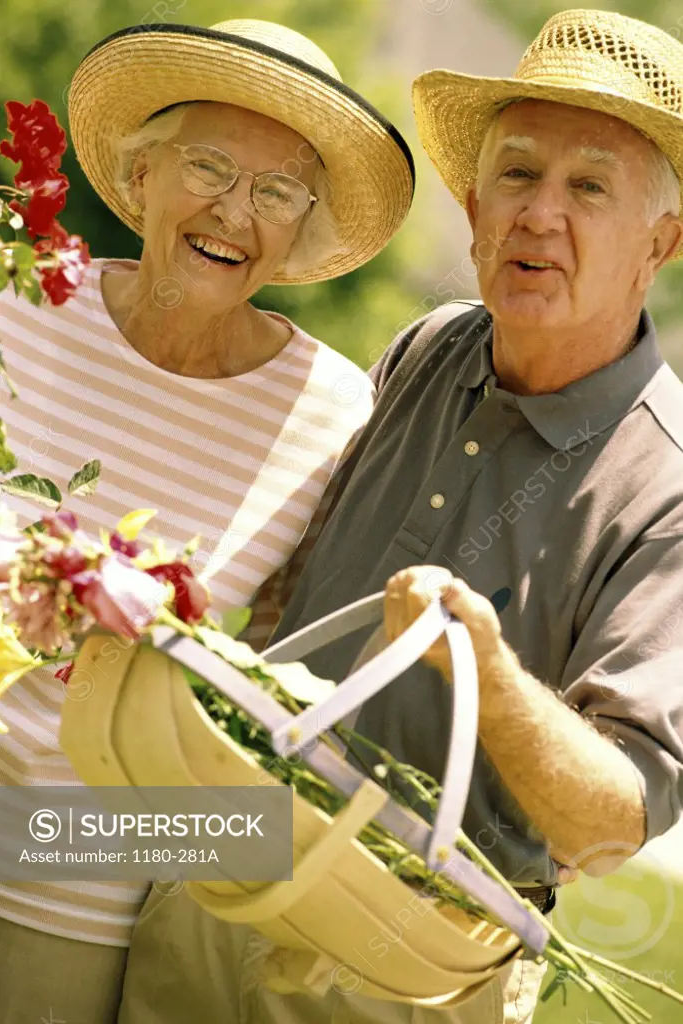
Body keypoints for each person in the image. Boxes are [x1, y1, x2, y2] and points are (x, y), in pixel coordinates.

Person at [116, 7, 683, 1024]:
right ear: (472, 207)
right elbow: (288, 580)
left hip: (405, 947)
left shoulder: (666, 485)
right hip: (218, 857)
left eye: (589, 186)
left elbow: (615, 822)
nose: (538, 213)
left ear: (663, 242)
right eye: (516, 174)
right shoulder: (429, 346)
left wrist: (491, 673)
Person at [0, 16, 415, 1024]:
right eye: (210, 166)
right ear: (142, 175)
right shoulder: (22, 307)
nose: (236, 211)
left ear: (302, 233)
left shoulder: (330, 412)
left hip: (84, 889)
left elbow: (271, 698)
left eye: (276, 192)